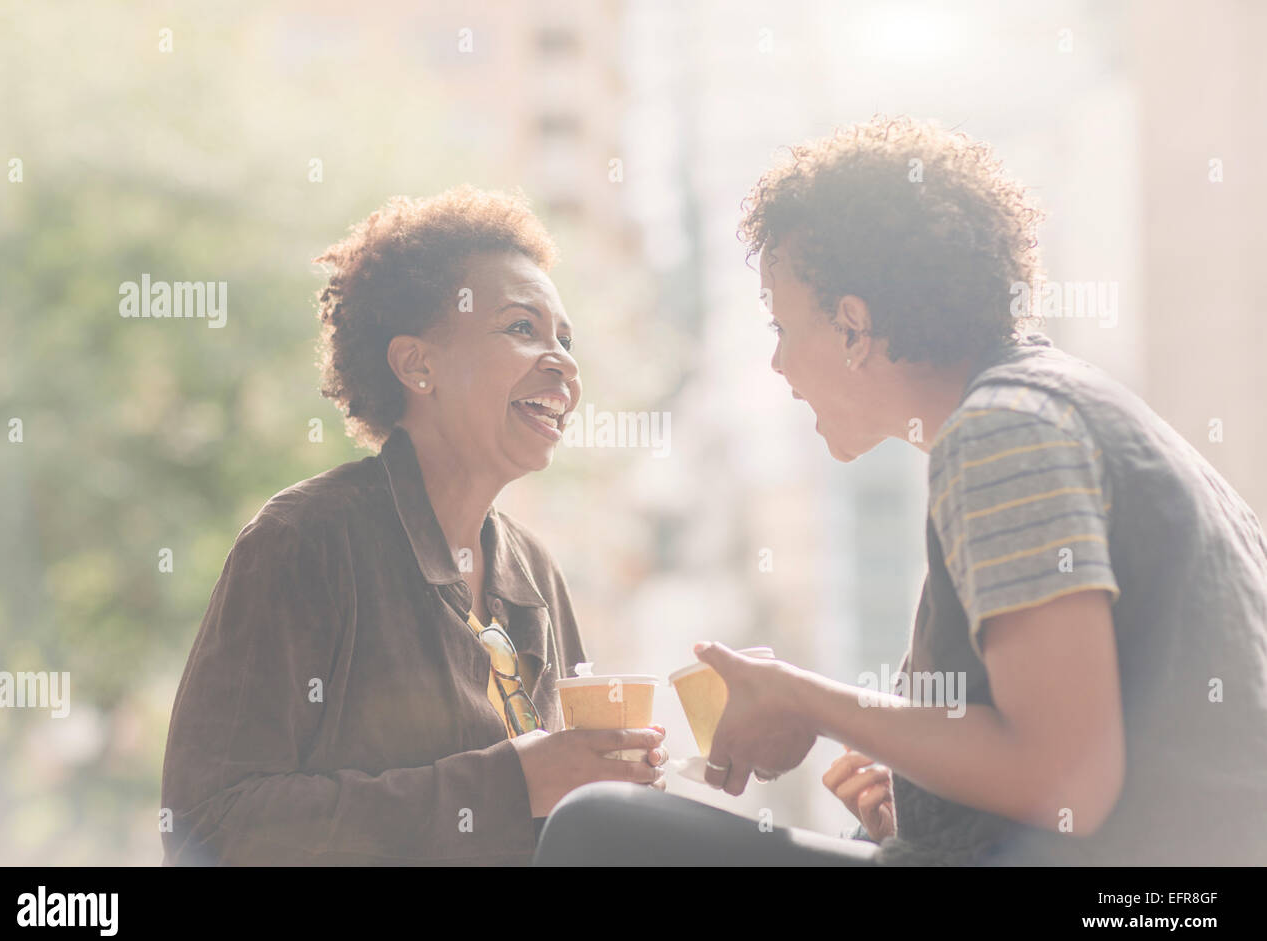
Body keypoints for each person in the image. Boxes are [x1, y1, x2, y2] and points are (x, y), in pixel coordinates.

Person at [535, 115, 1267, 866]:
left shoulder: (1002, 435)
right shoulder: (1059, 408)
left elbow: (1069, 780)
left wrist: (802, 700)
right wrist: (928, 802)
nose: (779, 365)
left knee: (599, 829)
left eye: (782, 327)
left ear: (854, 328)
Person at [161, 186, 667, 865]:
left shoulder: (535, 574)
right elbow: (209, 824)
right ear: (417, 364)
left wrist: (608, 787)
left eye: (565, 340)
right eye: (523, 328)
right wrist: (511, 783)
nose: (564, 363)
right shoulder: (305, 541)